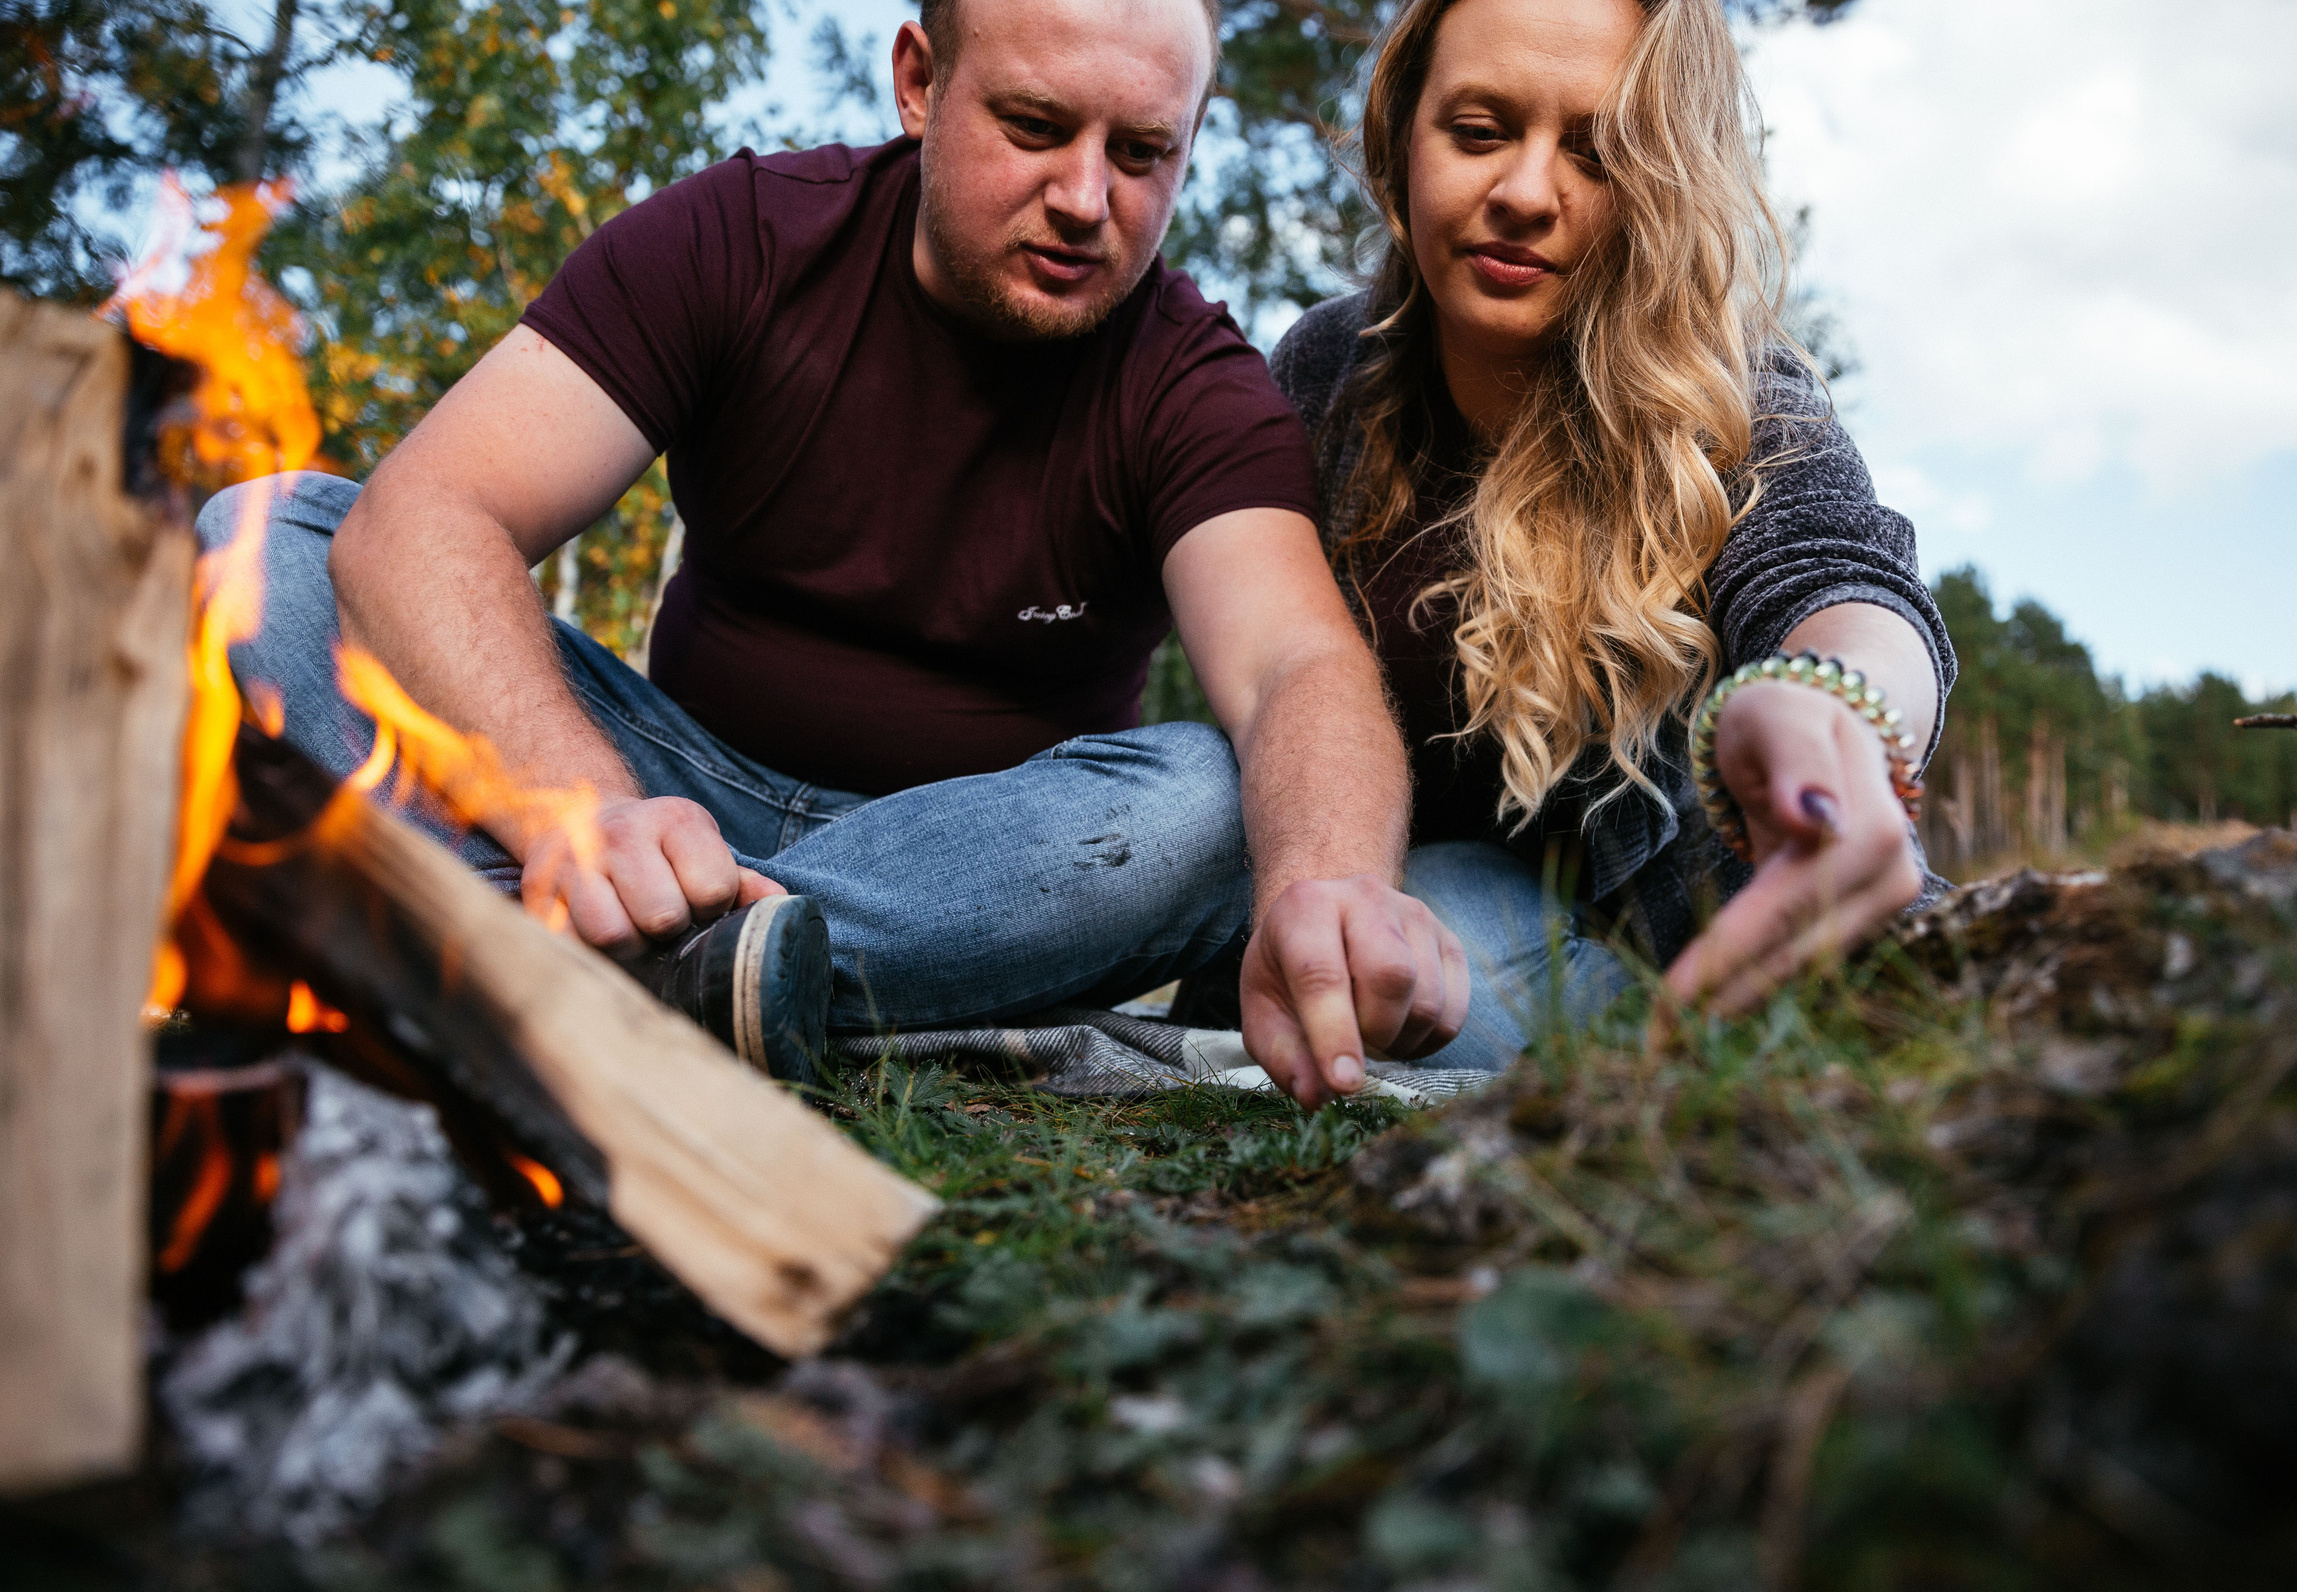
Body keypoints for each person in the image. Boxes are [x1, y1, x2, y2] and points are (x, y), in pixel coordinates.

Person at [208, 0, 1467, 1106]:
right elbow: (430, 515)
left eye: (1143, 153)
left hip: (982, 866)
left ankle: (603, 953)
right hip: (657, 791)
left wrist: (1334, 884)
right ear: (919, 82)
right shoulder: (741, 236)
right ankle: (705, 958)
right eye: (1035, 126)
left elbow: (1298, 665)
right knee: (271, 539)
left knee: (1215, 801)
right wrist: (584, 815)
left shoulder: (1196, 382)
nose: (1087, 200)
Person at [1264, 0, 1956, 1071]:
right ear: (1403, 135)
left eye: (1597, 153)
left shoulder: (1732, 397)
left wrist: (1833, 708)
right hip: (1390, 917)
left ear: (1666, 181)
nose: (1525, 192)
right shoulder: (1324, 375)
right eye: (1479, 132)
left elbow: (1838, 578)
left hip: (1695, 946)